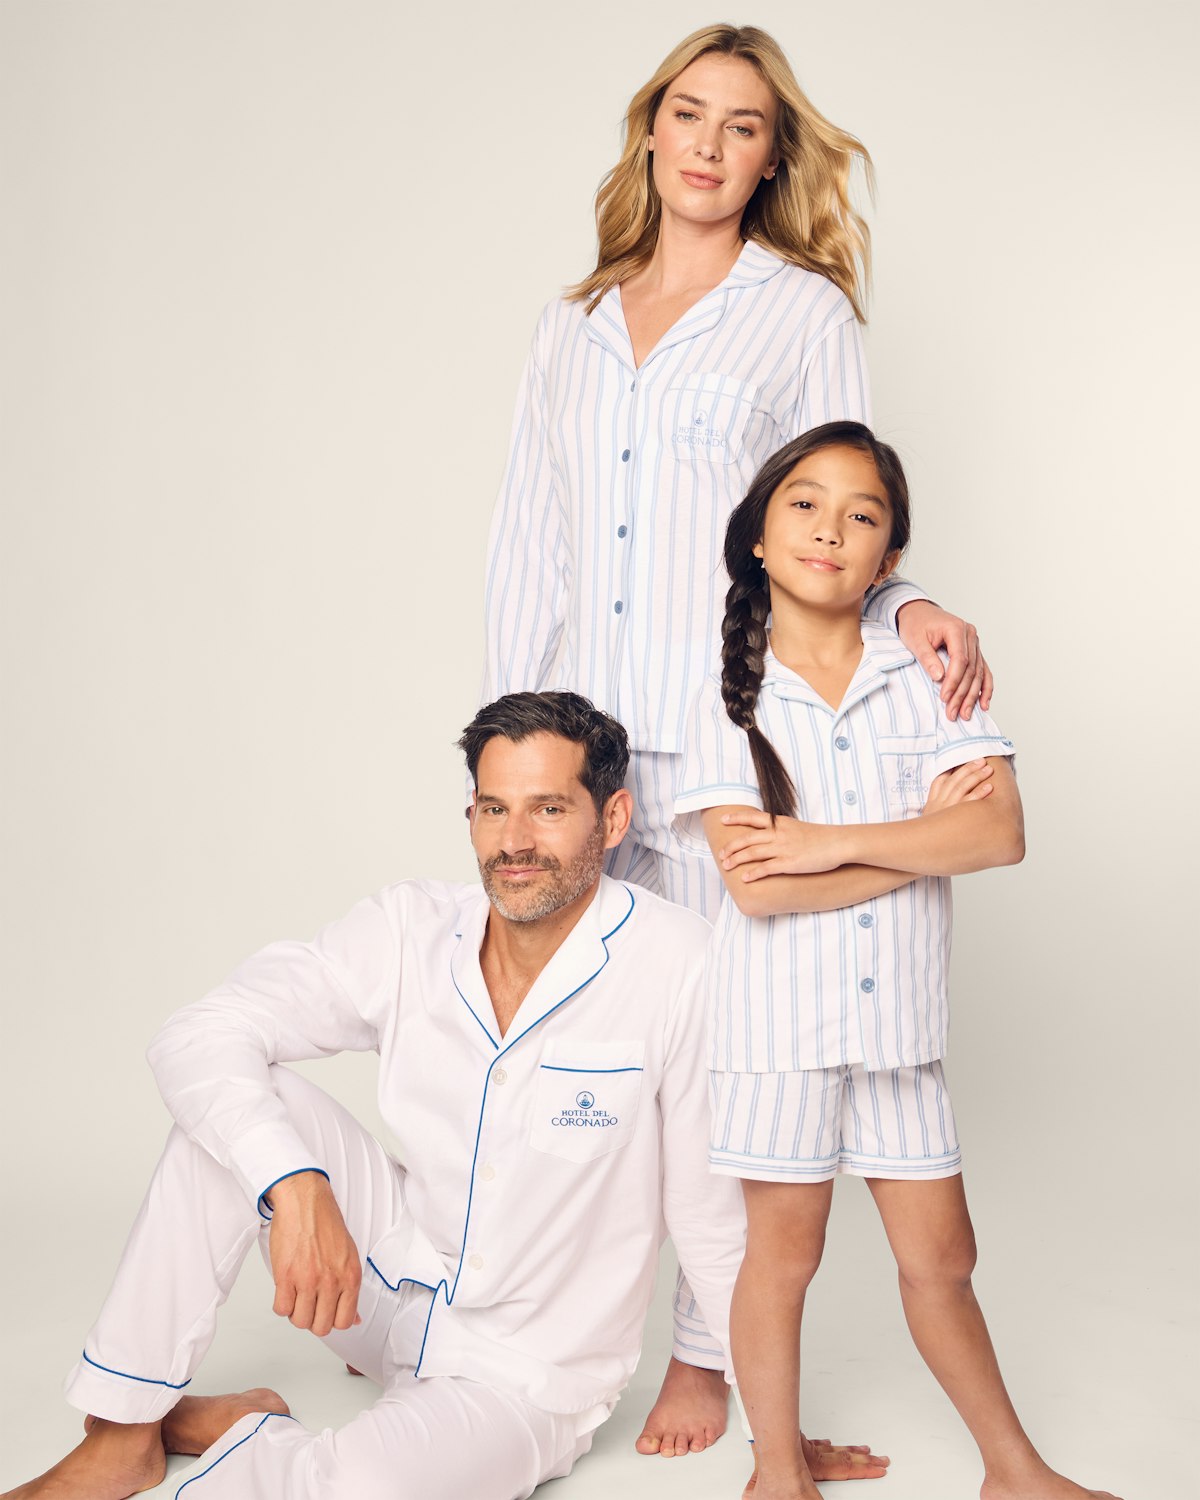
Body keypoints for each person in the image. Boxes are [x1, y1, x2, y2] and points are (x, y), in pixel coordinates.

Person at [1, 692, 888, 1500]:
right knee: (233, 1111)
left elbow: (712, 1219)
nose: (514, 841)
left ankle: (243, 1433)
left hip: (522, 1376)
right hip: (383, 1288)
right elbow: (195, 1034)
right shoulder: (409, 929)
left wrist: (776, 1439)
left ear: (612, 818)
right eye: (493, 808)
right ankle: (122, 1431)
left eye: (548, 808)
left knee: (359, 1491)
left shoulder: (680, 965)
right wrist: (296, 1185)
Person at [674, 422, 1120, 1500]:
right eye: (805, 505)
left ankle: (1013, 1472)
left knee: (944, 1260)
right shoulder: (719, 697)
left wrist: (827, 840)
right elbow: (755, 888)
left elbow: (998, 833)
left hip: (901, 1032)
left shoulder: (929, 674)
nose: (832, 528)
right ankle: (776, 1472)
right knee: (782, 1261)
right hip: (778, 1032)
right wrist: (916, 838)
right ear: (759, 542)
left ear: (891, 561)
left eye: (863, 516)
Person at [482, 22, 992, 930]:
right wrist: (504, 751)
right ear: (651, 132)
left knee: (726, 1051)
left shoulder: (806, 314)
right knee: (584, 1053)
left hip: (719, 750)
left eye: (743, 126)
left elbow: (839, 512)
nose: (708, 145)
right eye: (688, 114)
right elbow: (532, 547)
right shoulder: (572, 324)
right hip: (571, 761)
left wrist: (904, 604)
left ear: (771, 158)